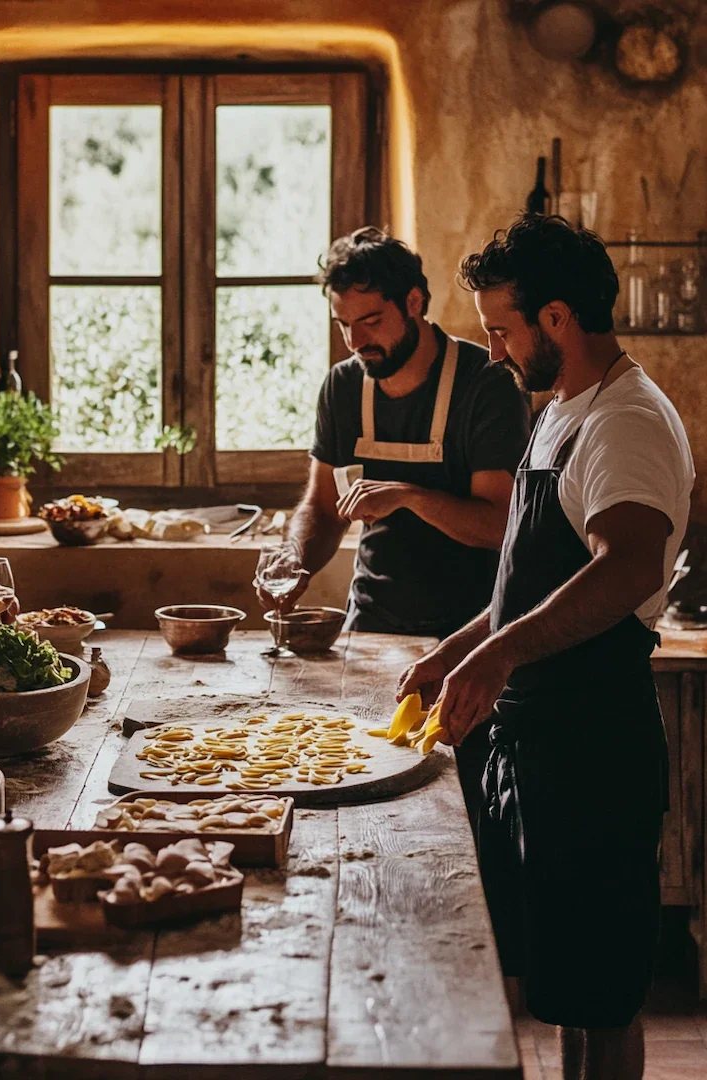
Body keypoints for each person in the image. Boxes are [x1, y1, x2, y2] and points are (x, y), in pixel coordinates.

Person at [399, 215, 693, 1079]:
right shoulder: (566, 411)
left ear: (557, 319)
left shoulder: (628, 421)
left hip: (594, 746)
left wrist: (496, 658)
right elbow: (531, 583)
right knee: (566, 984)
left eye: (502, 328)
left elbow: (627, 565)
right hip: (541, 746)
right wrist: (459, 647)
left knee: (602, 994)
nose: (493, 350)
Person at [260, 226, 530, 824]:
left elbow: (500, 526)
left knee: (459, 812)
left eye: (372, 321)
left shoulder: (485, 384)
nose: (358, 340)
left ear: (414, 302)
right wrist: (293, 563)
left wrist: (408, 495)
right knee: (361, 796)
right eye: (344, 324)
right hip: (375, 631)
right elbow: (321, 507)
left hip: (470, 637)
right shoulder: (343, 387)